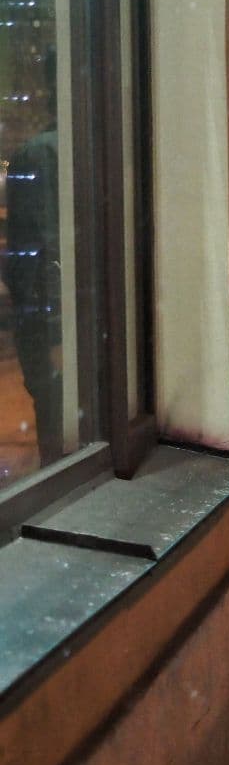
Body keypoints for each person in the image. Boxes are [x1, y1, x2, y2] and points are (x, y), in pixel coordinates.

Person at [2, 49, 62, 466]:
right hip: (75, 309)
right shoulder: (109, 147)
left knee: (49, 401)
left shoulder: (36, 154)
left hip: (46, 308)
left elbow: (27, 250)